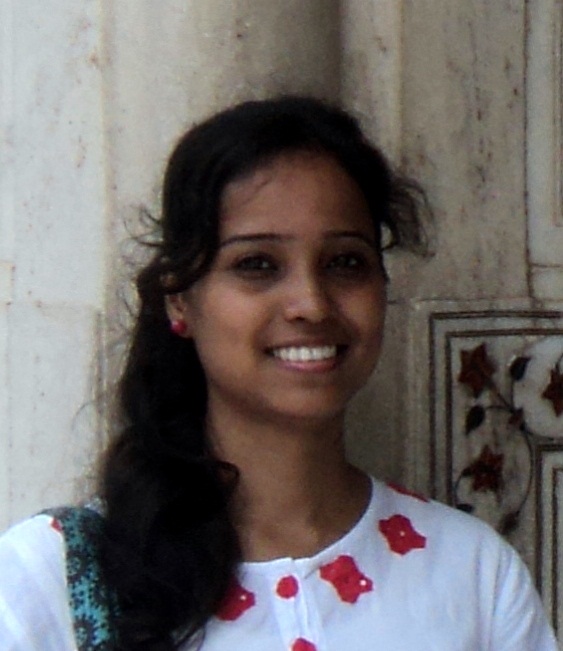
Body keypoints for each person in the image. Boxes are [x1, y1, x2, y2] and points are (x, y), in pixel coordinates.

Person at [0, 96, 558, 651]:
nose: (311, 304)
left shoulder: (470, 574)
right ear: (179, 300)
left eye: (345, 262)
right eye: (257, 265)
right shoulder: (52, 581)